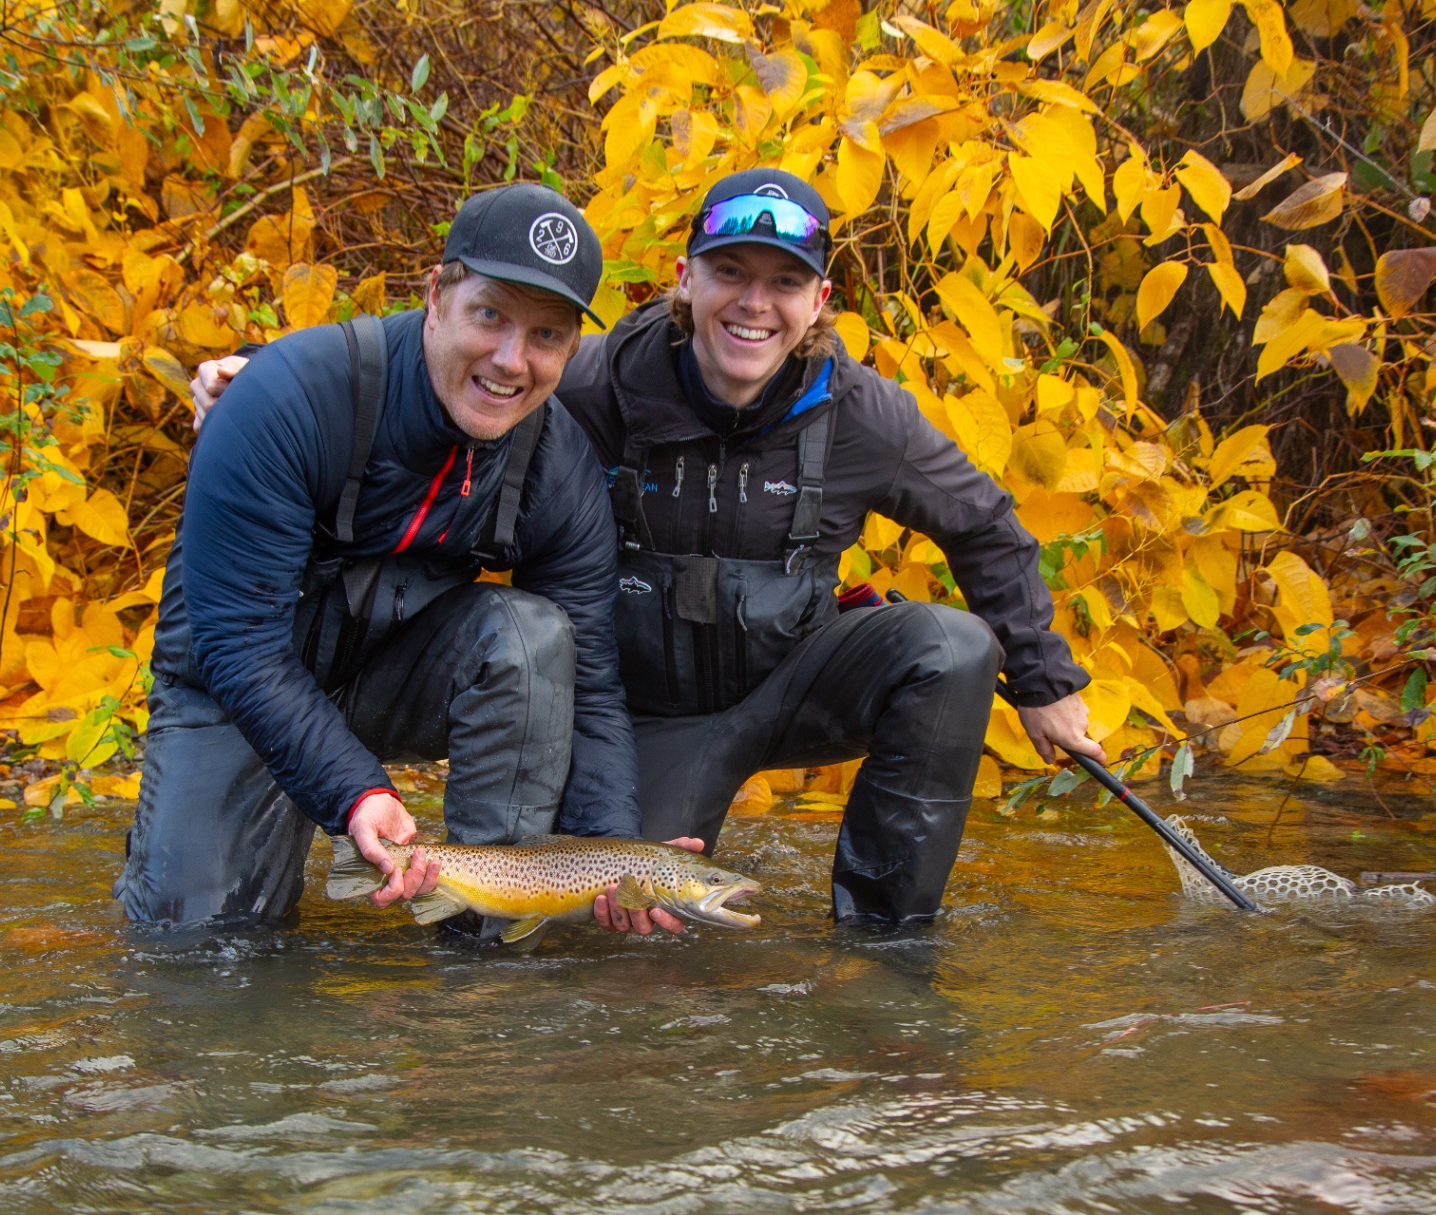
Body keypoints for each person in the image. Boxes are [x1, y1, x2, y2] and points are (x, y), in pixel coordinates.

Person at [194, 169, 1104, 928]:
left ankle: (885, 944)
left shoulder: (868, 415)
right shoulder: (582, 380)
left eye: (784, 282)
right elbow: (467, 353)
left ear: (820, 300)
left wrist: (1044, 679)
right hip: (653, 721)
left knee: (953, 647)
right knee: (631, 942)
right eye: (729, 273)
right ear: (685, 278)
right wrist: (264, 374)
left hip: (792, 684)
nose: (755, 304)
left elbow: (985, 524)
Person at [118, 183, 685, 936]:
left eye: (547, 335)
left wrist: (617, 850)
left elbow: (588, 680)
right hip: (234, 684)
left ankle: (478, 956)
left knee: (536, 635)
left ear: (570, 349)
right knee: (201, 949)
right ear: (435, 295)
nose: (512, 360)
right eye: (491, 316)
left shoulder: (560, 467)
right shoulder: (288, 398)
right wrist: (354, 790)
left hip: (385, 677)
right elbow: (236, 642)